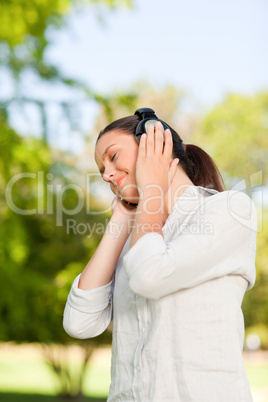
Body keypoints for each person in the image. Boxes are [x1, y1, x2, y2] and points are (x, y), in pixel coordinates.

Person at [63, 108, 257, 402]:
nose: (106, 175)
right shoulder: (136, 237)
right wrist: (120, 221)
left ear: (155, 143)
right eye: (101, 168)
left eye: (113, 157)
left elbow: (149, 277)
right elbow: (79, 323)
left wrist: (152, 188)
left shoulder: (230, 210)